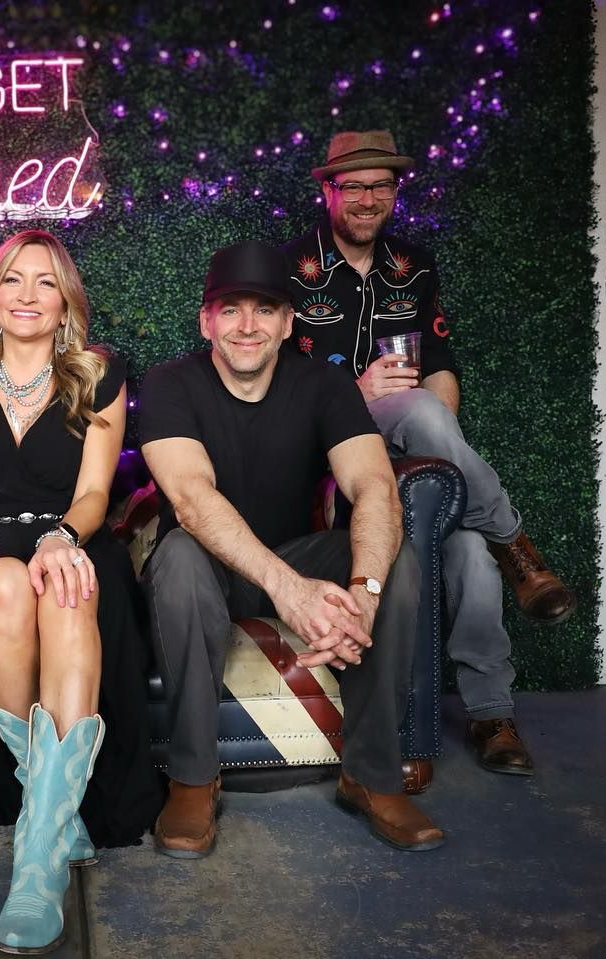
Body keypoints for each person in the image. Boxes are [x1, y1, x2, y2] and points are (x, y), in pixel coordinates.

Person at [281, 130, 577, 775]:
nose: (368, 199)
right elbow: (274, 384)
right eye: (354, 186)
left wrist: (437, 449)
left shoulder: (413, 266)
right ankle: (513, 542)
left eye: (381, 185)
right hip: (328, 447)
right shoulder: (289, 269)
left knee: (464, 545)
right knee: (419, 416)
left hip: (411, 446)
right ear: (327, 190)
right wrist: (354, 393)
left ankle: (491, 713)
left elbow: (439, 364)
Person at [140, 240, 443, 855]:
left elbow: (374, 486)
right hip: (209, 570)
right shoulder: (170, 383)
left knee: (396, 561)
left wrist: (364, 593)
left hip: (297, 555)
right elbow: (193, 500)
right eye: (230, 309)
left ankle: (371, 776)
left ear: (287, 323)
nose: (247, 325)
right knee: (178, 555)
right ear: (206, 322)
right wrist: (289, 590)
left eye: (264, 309)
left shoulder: (324, 385)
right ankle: (193, 779)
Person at [0, 230, 161, 955]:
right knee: (0, 583)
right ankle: (56, 816)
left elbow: (94, 493)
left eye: (46, 282)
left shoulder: (98, 376)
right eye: (13, 280)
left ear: (66, 303)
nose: (28, 295)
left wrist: (62, 538)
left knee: (64, 588)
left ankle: (37, 863)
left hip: (74, 540)